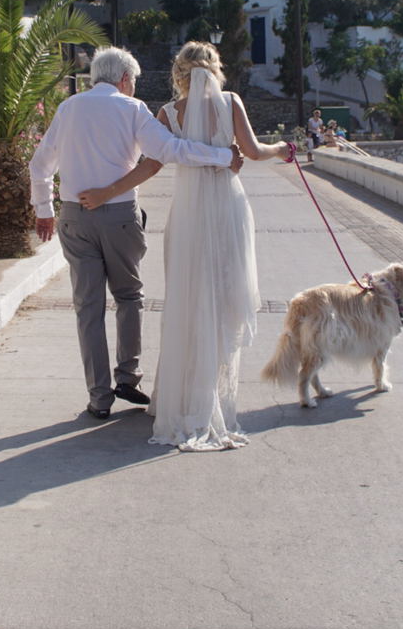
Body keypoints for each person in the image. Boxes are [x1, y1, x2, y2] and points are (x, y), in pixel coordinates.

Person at [80, 42, 292, 451]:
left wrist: (107, 192)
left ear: (179, 72)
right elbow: (252, 152)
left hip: (190, 214)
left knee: (188, 298)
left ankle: (180, 398)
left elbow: (150, 164)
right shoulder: (231, 102)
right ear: (214, 69)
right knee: (223, 298)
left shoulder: (167, 113)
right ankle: (208, 398)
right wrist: (282, 150)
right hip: (227, 208)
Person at [29, 46, 243, 421]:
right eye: (134, 82)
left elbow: (40, 165)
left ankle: (99, 397)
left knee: (87, 307)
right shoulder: (132, 109)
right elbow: (170, 150)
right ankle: (127, 377)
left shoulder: (68, 108)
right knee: (129, 296)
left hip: (73, 217)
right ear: (125, 79)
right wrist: (224, 157)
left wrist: (44, 211)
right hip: (119, 218)